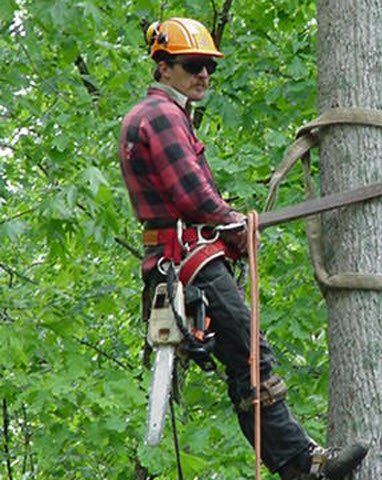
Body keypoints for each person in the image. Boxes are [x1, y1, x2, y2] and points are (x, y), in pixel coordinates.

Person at [118, 17, 367, 479]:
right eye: (193, 65)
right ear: (163, 67)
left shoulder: (161, 116)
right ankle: (301, 464)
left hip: (177, 260)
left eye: (209, 67)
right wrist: (234, 224)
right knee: (252, 354)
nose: (203, 76)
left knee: (244, 358)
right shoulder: (161, 116)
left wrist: (228, 227)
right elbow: (193, 196)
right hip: (186, 263)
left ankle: (296, 461)